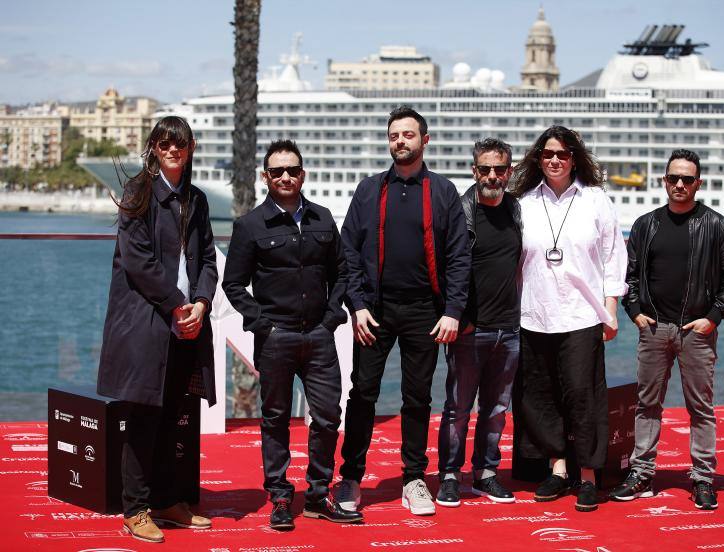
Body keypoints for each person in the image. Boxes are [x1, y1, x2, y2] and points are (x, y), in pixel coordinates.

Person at [335, 106, 470, 516]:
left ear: (424, 140)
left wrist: (452, 310)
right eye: (394, 135)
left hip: (425, 312)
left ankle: (414, 478)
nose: (400, 141)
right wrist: (356, 305)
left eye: (408, 135)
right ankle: (352, 477)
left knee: (417, 398)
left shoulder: (444, 192)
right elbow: (348, 253)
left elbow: (459, 257)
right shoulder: (369, 190)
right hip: (373, 311)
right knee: (363, 394)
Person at [222, 140, 362, 530]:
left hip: (319, 336)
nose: (286, 177)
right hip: (275, 338)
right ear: (266, 177)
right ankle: (281, 497)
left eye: (292, 170)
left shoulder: (322, 218)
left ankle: (318, 494)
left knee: (328, 417)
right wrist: (262, 323)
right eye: (277, 171)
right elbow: (234, 284)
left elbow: (342, 272)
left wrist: (332, 317)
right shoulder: (250, 225)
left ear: (303, 174)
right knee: (275, 419)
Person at [97, 116, 217, 543]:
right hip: (148, 323)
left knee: (173, 418)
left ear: (191, 147)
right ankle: (136, 509)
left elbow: (207, 262)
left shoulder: (197, 200)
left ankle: (168, 501)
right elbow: (138, 261)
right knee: (143, 417)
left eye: (179, 144)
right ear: (153, 147)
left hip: (186, 324)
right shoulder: (139, 192)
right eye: (164, 144)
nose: (172, 150)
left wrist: (201, 303)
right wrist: (177, 304)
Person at [610, 149, 724, 510]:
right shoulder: (646, 224)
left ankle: (702, 477)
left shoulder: (717, 225)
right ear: (664, 181)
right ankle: (641, 473)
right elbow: (631, 274)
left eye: (687, 179)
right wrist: (635, 311)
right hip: (654, 328)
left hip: (696, 331)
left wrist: (713, 317)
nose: (680, 184)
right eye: (673, 178)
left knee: (700, 407)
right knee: (646, 404)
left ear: (699, 183)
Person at [512, 125, 627, 512]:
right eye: (547, 154)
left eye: (562, 154)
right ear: (538, 159)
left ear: (574, 157)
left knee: (583, 395)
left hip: (582, 314)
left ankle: (590, 476)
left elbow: (613, 256)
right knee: (541, 396)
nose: (555, 160)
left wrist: (611, 308)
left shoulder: (595, 200)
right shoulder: (524, 202)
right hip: (534, 313)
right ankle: (558, 470)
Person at [436, 138, 521, 507]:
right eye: (484, 169)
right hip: (471, 329)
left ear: (509, 172)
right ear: (474, 171)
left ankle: (486, 474)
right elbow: (441, 270)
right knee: (457, 409)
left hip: (510, 327)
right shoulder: (459, 212)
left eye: (499, 169)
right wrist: (460, 317)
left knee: (497, 409)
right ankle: (450, 476)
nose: (492, 176)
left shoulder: (517, 209)